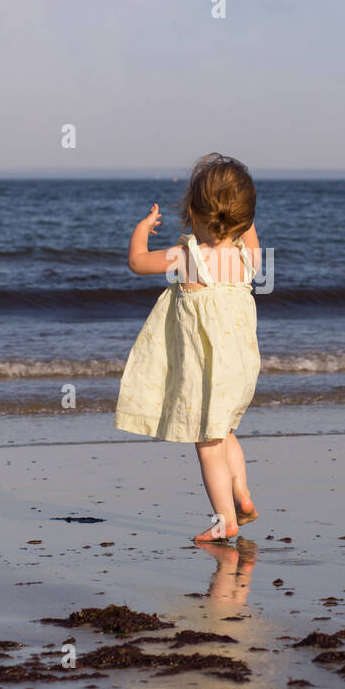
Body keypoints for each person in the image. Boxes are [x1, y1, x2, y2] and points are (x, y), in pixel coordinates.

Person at [114, 153, 262, 542]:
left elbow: (136, 261)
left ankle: (225, 520)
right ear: (243, 217)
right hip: (241, 369)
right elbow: (246, 230)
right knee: (225, 432)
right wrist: (243, 218)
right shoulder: (249, 259)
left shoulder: (188, 258)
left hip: (207, 372)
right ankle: (242, 495)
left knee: (208, 443)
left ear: (194, 211)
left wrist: (142, 228)